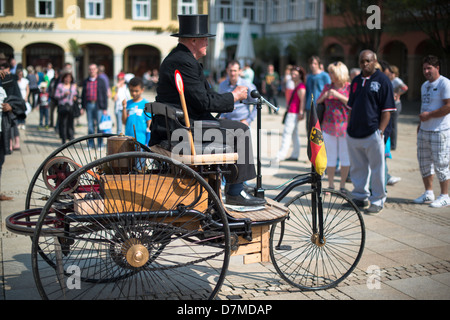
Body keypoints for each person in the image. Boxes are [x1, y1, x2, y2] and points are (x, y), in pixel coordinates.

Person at [150, 14, 265, 207]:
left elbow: (202, 97)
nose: (207, 43)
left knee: (232, 127)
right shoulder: (183, 61)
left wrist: (227, 99)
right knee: (241, 131)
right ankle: (236, 192)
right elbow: (203, 101)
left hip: (175, 124)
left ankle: (231, 187)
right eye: (205, 39)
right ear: (193, 40)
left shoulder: (179, 58)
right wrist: (234, 96)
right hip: (182, 128)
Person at [346, 50, 395, 215]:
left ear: (374, 61)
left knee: (377, 169)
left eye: (367, 61)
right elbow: (351, 107)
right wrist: (348, 127)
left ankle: (378, 200)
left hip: (373, 132)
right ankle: (360, 197)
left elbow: (387, 110)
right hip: (354, 133)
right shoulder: (356, 80)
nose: (364, 64)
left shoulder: (383, 81)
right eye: (361, 61)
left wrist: (380, 131)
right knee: (358, 168)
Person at [414, 55, 450, 208]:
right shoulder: (424, 85)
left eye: (429, 68)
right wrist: (420, 124)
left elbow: (448, 106)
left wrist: (429, 115)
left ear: (437, 68)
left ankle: (445, 195)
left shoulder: (445, 83)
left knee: (441, 163)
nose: (426, 71)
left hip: (439, 130)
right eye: (424, 68)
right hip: (425, 130)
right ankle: (428, 193)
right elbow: (425, 108)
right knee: (424, 163)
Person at [317, 61, 351, 192]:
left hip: (345, 126)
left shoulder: (348, 87)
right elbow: (318, 101)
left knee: (345, 157)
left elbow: (352, 103)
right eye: (330, 72)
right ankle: (331, 185)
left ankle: (342, 185)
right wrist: (326, 95)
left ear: (340, 73)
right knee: (330, 156)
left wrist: (338, 95)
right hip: (328, 126)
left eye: (332, 72)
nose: (330, 75)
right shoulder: (327, 87)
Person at [274, 65, 306, 163]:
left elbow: (302, 100)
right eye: (292, 74)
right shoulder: (297, 85)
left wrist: (301, 112)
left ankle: (281, 155)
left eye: (295, 74)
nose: (292, 76)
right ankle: (295, 154)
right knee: (294, 134)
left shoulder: (300, 86)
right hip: (293, 112)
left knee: (287, 134)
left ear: (300, 75)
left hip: (294, 112)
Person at [218, 60, 257, 126]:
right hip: (227, 123)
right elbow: (219, 103)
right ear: (227, 70)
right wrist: (221, 116)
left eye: (235, 71)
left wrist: (249, 120)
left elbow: (257, 103)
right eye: (230, 70)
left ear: (239, 71)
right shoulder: (222, 85)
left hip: (242, 123)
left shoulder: (247, 85)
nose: (232, 73)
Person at [81, 63, 108, 148]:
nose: (92, 71)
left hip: (98, 105)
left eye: (93, 69)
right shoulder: (86, 81)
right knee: (90, 126)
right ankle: (90, 144)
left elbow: (104, 95)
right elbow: (83, 94)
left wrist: (105, 108)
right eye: (90, 69)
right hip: (89, 104)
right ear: (88, 70)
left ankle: (100, 144)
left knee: (100, 125)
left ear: (97, 70)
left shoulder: (101, 81)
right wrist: (82, 107)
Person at [305, 56, 331, 131]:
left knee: (319, 129)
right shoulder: (309, 77)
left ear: (319, 64)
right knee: (309, 129)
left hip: (320, 106)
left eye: (315, 63)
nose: (313, 65)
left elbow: (328, 90)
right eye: (311, 63)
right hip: (309, 106)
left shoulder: (325, 76)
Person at [122, 77, 151, 145]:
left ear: (142, 90)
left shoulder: (146, 104)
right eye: (131, 91)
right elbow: (124, 121)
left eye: (136, 91)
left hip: (141, 140)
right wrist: (124, 108)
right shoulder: (128, 103)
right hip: (128, 138)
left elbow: (149, 123)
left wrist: (148, 140)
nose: (134, 93)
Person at [55, 72, 78, 144]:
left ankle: (71, 137)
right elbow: (56, 95)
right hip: (63, 107)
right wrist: (63, 94)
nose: (68, 79)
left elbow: (76, 95)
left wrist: (75, 98)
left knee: (70, 123)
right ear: (63, 78)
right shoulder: (60, 86)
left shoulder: (73, 86)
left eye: (69, 78)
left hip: (71, 107)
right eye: (66, 78)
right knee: (63, 123)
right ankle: (63, 138)